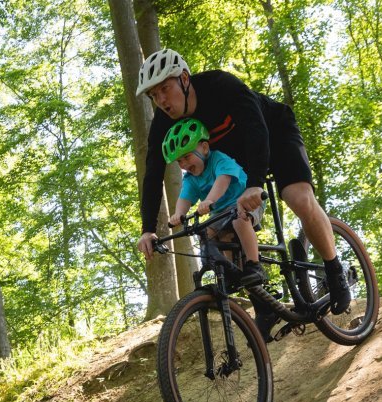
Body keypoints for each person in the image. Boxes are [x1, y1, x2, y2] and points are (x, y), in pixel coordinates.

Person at [135, 48, 350, 340]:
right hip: (234, 160)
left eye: (165, 89)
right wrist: (148, 228)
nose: (161, 100)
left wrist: (255, 182)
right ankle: (265, 304)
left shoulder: (220, 86)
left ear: (184, 79)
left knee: (297, 198)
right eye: (153, 96)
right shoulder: (163, 122)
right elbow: (153, 172)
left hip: (274, 132)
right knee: (224, 233)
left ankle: (334, 269)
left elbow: (255, 127)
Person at [163, 117, 266, 285]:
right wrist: (178, 214)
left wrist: (209, 199)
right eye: (179, 161)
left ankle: (254, 265)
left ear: (204, 148)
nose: (183, 164)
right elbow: (185, 198)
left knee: (240, 221)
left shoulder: (219, 159)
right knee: (206, 232)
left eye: (187, 157)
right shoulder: (190, 178)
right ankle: (229, 271)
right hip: (221, 213)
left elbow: (222, 180)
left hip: (246, 201)